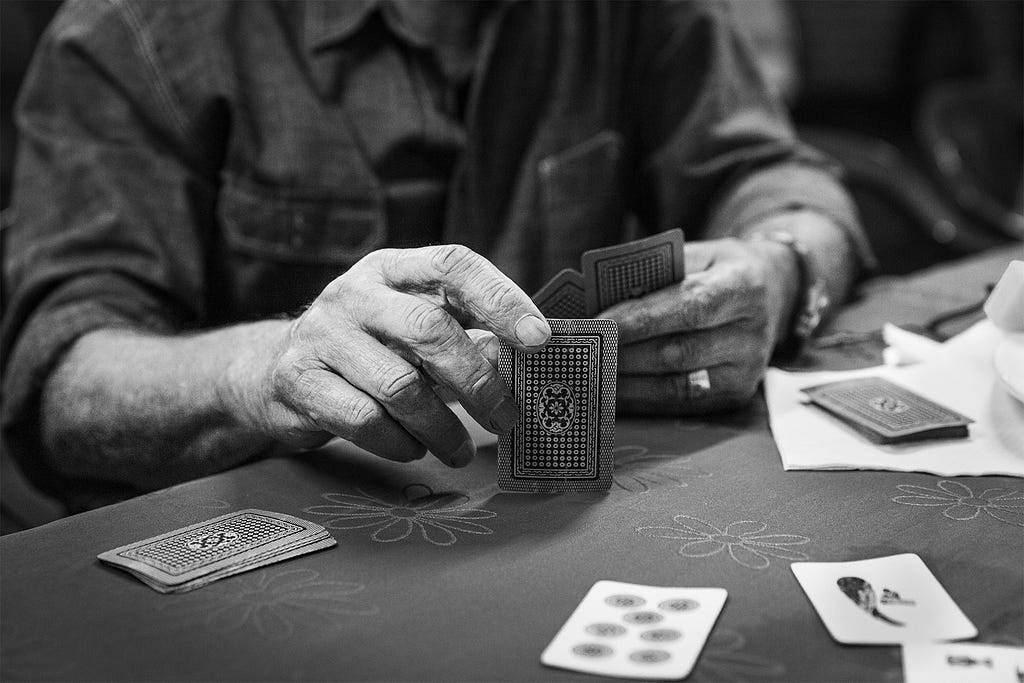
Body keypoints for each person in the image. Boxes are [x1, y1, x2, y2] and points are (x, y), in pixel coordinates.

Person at [1, 0, 874, 512]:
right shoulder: (133, 27)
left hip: (547, 525)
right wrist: (264, 366)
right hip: (280, 575)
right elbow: (61, 378)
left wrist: (784, 262)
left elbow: (775, 175)